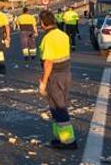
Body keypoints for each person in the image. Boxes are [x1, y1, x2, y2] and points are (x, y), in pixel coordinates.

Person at [38, 10, 77, 150]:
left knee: (58, 107)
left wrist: (43, 82)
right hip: (66, 73)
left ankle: (68, 141)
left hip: (54, 76)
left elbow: (48, 62)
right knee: (58, 106)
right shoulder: (63, 34)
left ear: (42, 23)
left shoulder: (48, 38)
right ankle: (60, 137)